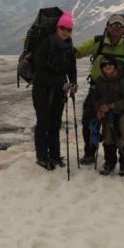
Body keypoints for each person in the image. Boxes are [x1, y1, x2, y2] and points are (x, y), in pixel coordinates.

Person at [74, 14, 124, 165]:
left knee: (117, 128)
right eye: (113, 25)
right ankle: (90, 152)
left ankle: (119, 160)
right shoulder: (97, 42)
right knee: (89, 121)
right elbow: (78, 52)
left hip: (119, 94)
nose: (116, 28)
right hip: (97, 90)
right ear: (107, 27)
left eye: (120, 26)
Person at [32, 11, 78, 170]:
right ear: (57, 28)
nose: (66, 32)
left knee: (55, 122)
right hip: (42, 90)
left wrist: (73, 83)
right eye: (63, 28)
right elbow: (39, 72)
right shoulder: (46, 44)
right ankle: (42, 156)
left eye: (69, 29)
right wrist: (62, 83)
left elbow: (72, 68)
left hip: (59, 90)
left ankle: (55, 155)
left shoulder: (69, 46)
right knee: (43, 122)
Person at [93, 55, 124, 176]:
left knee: (122, 139)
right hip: (106, 115)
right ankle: (109, 163)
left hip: (121, 113)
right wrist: (98, 108)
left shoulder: (122, 80)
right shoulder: (99, 80)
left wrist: (110, 106)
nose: (107, 66)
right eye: (104, 65)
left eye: (110, 64)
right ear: (101, 68)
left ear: (115, 66)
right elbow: (95, 98)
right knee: (107, 138)